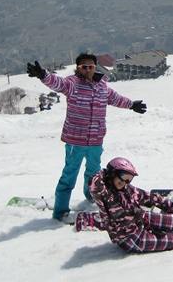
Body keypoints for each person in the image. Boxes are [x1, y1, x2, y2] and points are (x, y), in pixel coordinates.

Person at [27, 54, 147, 222]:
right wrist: (43, 75)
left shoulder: (102, 86)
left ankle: (91, 196)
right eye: (84, 67)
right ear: (78, 68)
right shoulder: (72, 84)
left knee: (94, 173)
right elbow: (57, 82)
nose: (88, 70)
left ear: (95, 67)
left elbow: (115, 98)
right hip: (76, 140)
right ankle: (60, 212)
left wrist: (131, 104)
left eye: (91, 66)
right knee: (69, 176)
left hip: (96, 139)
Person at [76, 157, 173, 253]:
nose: (124, 182)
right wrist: (105, 172)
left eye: (129, 178)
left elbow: (146, 196)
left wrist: (167, 205)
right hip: (132, 239)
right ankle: (161, 231)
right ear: (112, 173)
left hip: (141, 220)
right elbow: (94, 184)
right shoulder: (104, 194)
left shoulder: (126, 189)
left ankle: (172, 225)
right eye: (123, 176)